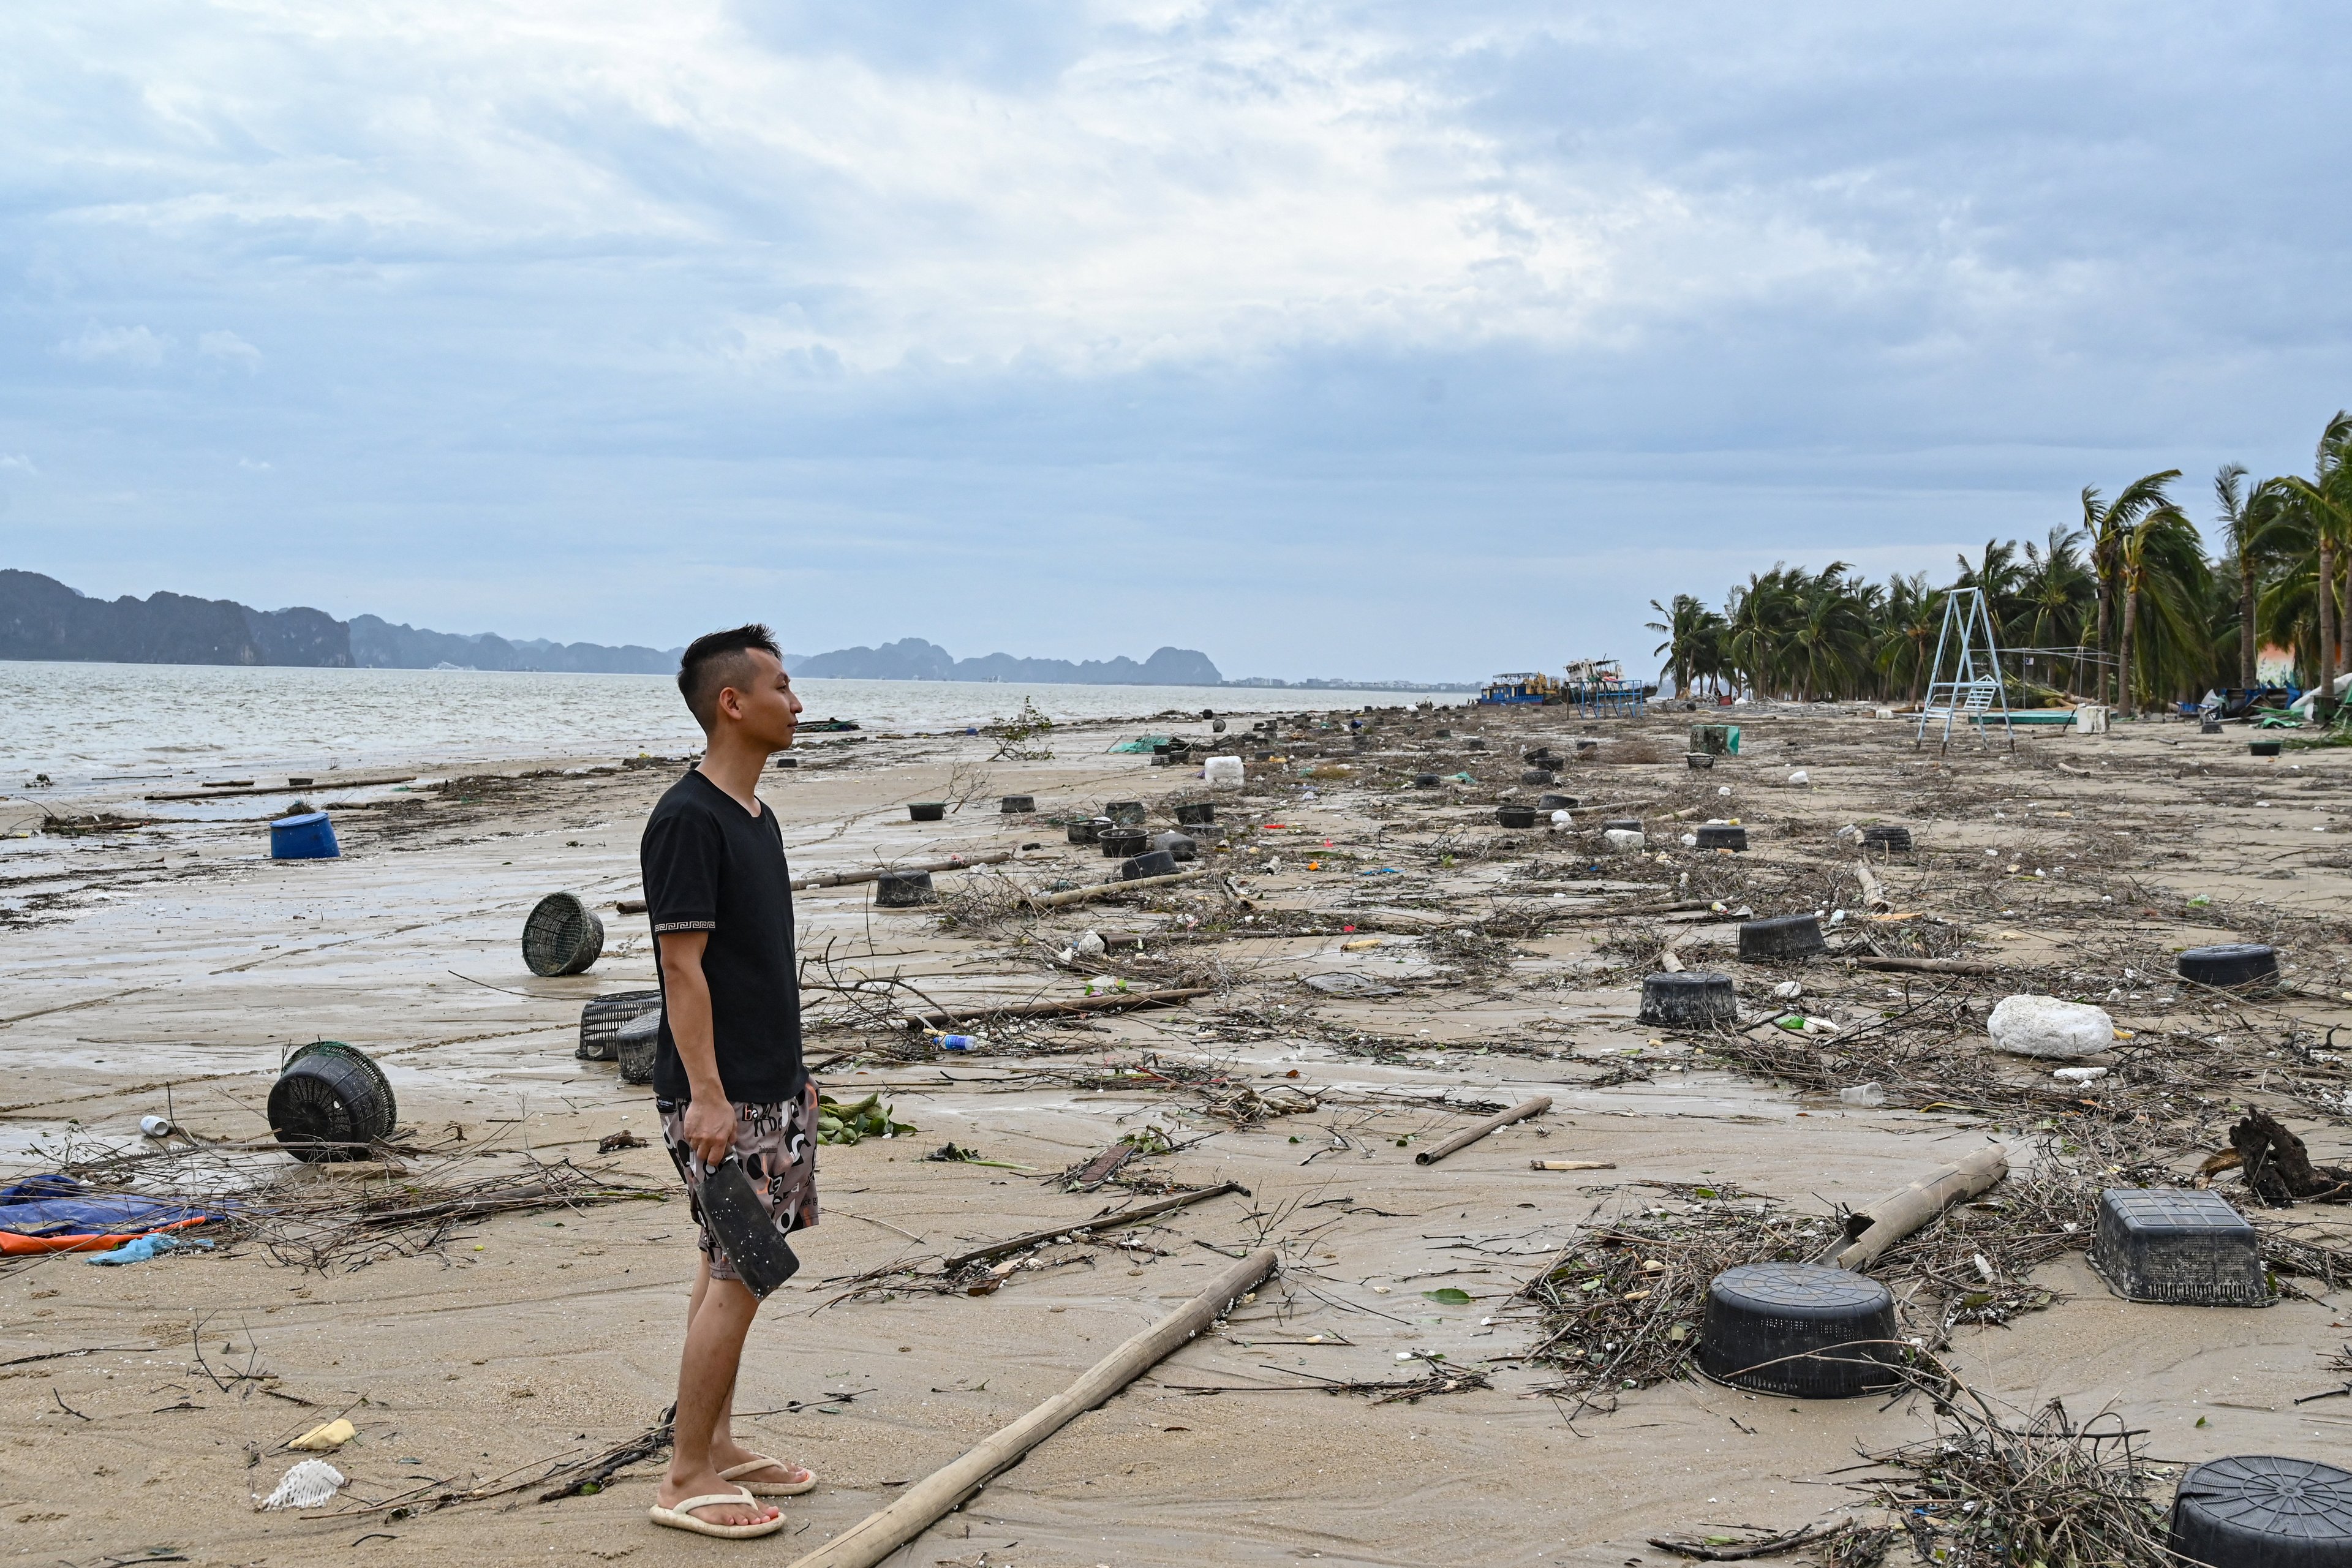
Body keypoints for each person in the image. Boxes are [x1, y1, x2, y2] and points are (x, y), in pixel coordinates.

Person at [641, 624, 814, 1540]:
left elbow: (760, 965)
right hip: (722, 1096)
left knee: (725, 1269)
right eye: (782, 685)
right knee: (742, 1270)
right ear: (731, 704)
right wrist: (709, 1095)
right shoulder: (686, 819)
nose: (798, 701)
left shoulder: (756, 816)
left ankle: (718, 1443)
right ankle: (683, 1476)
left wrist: (795, 1080)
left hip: (769, 1088)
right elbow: (683, 971)